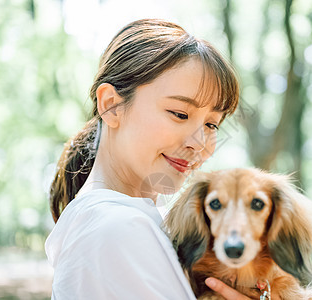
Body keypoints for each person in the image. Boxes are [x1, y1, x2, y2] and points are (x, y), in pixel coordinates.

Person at [45, 19, 248, 299]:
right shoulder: (117, 226)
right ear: (111, 105)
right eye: (179, 114)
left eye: (212, 125)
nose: (199, 144)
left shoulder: (143, 221)